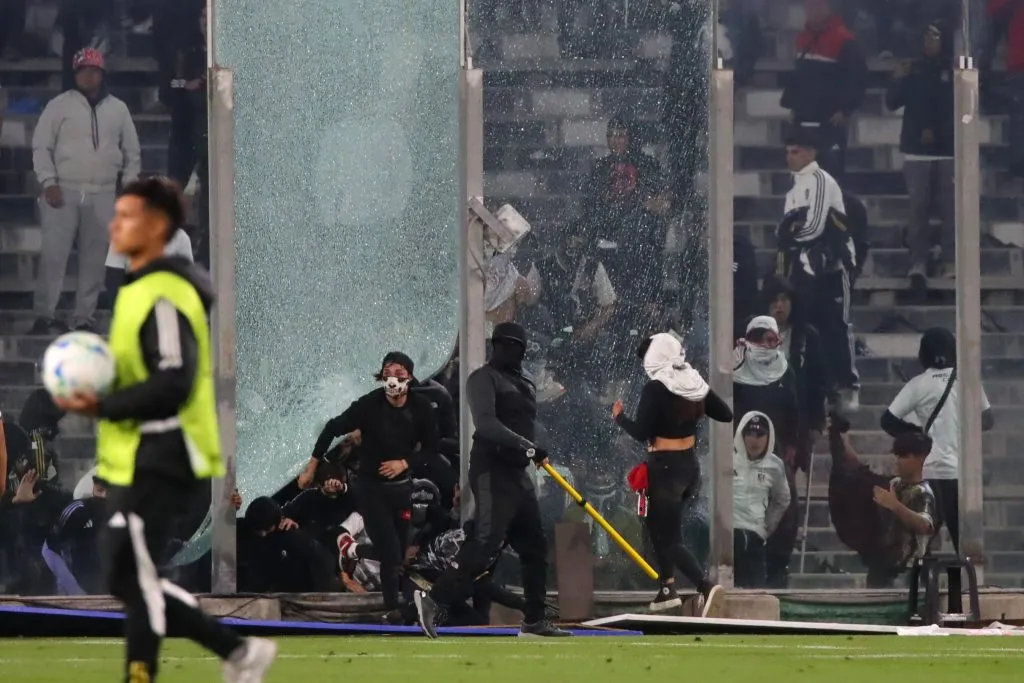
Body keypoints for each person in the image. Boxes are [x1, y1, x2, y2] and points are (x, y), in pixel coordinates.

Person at [52, 177, 275, 683]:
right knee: (128, 573)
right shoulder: (144, 288)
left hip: (166, 449)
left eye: (127, 215)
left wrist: (106, 403)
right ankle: (233, 650)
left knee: (131, 573)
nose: (115, 225)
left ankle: (159, 669)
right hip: (142, 450)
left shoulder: (166, 292)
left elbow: (174, 376)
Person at [413, 322, 571, 639]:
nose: (507, 351)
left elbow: (525, 427)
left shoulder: (526, 384)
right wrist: (527, 446)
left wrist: (536, 448)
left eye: (513, 346)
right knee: (484, 540)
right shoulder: (482, 378)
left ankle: (535, 620)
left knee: (534, 547)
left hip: (517, 474)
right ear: (493, 346)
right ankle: (432, 599)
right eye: (501, 344)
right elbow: (486, 424)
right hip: (491, 470)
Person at [308, 351, 438, 621]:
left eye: (399, 374)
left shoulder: (421, 408)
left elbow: (432, 448)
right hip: (370, 487)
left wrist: (404, 463)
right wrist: (312, 467)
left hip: (402, 488)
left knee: (397, 555)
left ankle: (387, 605)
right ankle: (393, 605)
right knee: (390, 552)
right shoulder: (369, 405)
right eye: (388, 373)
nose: (393, 379)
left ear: (410, 377)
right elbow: (332, 428)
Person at [611, 332, 732, 615]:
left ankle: (706, 586)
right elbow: (725, 413)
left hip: (664, 468)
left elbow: (641, 432)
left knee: (669, 537)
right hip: (689, 467)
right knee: (656, 526)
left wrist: (619, 417)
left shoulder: (655, 388)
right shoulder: (693, 381)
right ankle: (667, 588)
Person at [31, 48, 141, 335]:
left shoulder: (119, 109)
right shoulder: (58, 105)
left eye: (93, 70)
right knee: (54, 256)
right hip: (62, 190)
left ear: (102, 73)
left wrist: (127, 189)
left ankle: (83, 316)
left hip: (103, 192)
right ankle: (45, 314)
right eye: (83, 70)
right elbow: (41, 146)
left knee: (94, 260)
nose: (88, 74)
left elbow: (132, 153)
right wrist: (48, 182)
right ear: (75, 73)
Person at [880, 327, 994, 553]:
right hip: (960, 475)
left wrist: (917, 435)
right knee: (963, 543)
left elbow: (888, 421)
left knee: (922, 543)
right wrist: (962, 428)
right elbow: (988, 420)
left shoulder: (918, 384)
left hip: (927, 474)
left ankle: (923, 584)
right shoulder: (968, 380)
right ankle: (964, 585)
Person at [776, 127, 860, 411]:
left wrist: (790, 234)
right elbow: (785, 231)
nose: (790, 157)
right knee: (808, 327)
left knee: (836, 325)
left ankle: (849, 385)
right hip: (804, 269)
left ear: (811, 153)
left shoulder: (821, 179)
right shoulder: (793, 190)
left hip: (833, 268)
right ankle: (819, 387)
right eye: (787, 152)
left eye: (795, 151)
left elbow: (812, 228)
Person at [885, 20, 956, 285]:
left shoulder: (953, 70)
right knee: (918, 210)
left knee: (951, 211)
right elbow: (892, 103)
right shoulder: (911, 70)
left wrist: (935, 130)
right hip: (916, 152)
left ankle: (950, 259)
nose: (930, 43)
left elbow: (954, 107)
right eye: (926, 38)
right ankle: (919, 261)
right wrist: (896, 80)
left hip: (947, 150)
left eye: (935, 38)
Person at [732, 412, 790, 588]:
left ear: (768, 436)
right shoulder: (726, 459)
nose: (754, 440)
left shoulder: (775, 466)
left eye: (760, 435)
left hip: (755, 539)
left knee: (755, 595)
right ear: (741, 435)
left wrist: (766, 528)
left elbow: (782, 499)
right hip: (726, 537)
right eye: (749, 434)